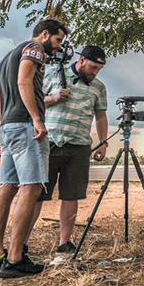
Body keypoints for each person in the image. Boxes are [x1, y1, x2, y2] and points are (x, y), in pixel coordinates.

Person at [0, 19, 68, 278]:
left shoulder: (7, 57)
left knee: (7, 187)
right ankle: (15, 257)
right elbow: (24, 82)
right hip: (24, 127)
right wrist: (35, 118)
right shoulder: (35, 48)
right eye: (57, 40)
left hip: (8, 126)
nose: (58, 47)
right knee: (31, 187)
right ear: (44, 34)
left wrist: (5, 122)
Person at [28, 46, 109, 255]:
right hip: (50, 142)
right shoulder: (53, 75)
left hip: (79, 146)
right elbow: (34, 103)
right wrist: (53, 98)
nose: (95, 72)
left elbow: (100, 115)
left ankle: (65, 242)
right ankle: (22, 241)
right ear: (81, 60)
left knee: (71, 195)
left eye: (99, 69)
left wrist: (102, 142)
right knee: (37, 194)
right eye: (92, 67)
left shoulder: (98, 87)